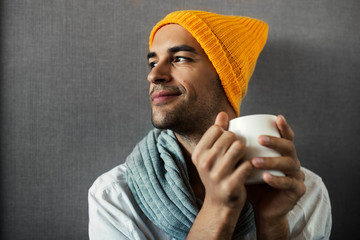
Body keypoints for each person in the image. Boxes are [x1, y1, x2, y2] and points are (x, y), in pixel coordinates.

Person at [88, 10, 332, 240]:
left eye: (180, 58)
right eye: (153, 62)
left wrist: (271, 224)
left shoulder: (303, 193)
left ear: (226, 77)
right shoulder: (114, 196)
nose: (154, 75)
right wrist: (218, 209)